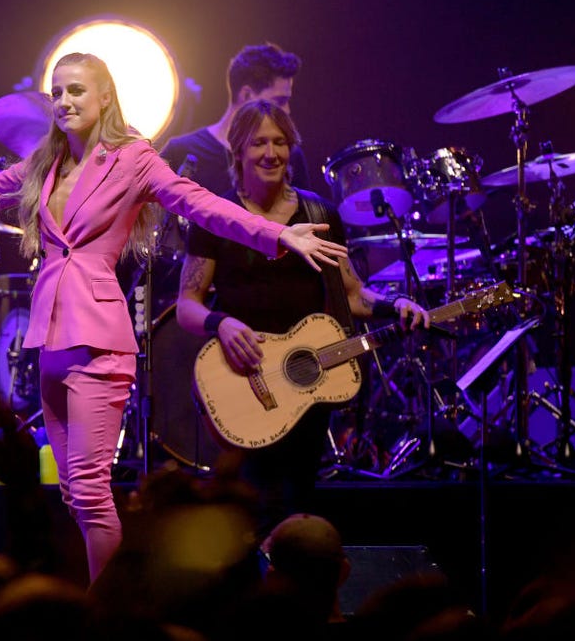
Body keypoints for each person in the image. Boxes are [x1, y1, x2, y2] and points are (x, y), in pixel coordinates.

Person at [0, 52, 348, 582]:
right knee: (73, 492)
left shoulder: (132, 158)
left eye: (76, 91)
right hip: (50, 336)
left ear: (106, 97)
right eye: (58, 92)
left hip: (98, 338)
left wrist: (277, 232)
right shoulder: (46, 162)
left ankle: (109, 613)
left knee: (91, 489)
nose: (64, 101)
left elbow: (198, 202)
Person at [175, 100, 429, 538]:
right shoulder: (217, 216)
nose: (271, 153)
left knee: (296, 513)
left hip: (307, 383)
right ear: (238, 151)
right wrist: (222, 323)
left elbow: (353, 296)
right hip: (243, 382)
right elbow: (187, 305)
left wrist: (395, 305)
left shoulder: (319, 215)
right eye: (259, 143)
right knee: (250, 516)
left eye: (280, 142)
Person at [161, 42, 310, 193]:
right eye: (279, 101)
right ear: (246, 95)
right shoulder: (179, 151)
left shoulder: (290, 156)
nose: (287, 110)